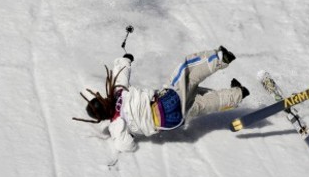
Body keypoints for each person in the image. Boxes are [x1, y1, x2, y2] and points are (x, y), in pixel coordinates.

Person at [73, 46, 250, 152]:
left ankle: (238, 94)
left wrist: (133, 133)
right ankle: (219, 59)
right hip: (165, 103)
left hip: (170, 122)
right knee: (187, 72)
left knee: (199, 104)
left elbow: (125, 145)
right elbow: (121, 74)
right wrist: (125, 59)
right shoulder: (119, 94)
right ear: (104, 100)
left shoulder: (116, 124)